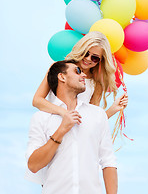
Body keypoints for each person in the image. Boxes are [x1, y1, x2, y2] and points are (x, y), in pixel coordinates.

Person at [26, 60, 118, 194]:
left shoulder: (97, 115)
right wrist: (61, 131)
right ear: (61, 77)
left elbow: (108, 161)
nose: (84, 76)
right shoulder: (41, 118)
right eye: (77, 71)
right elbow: (33, 165)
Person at [32, 31, 128, 119]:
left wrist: (113, 109)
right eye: (86, 53)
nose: (88, 59)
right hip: (52, 128)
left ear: (100, 60)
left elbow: (93, 120)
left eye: (95, 58)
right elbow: (37, 100)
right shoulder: (59, 68)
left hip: (77, 134)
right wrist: (64, 113)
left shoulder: (97, 83)